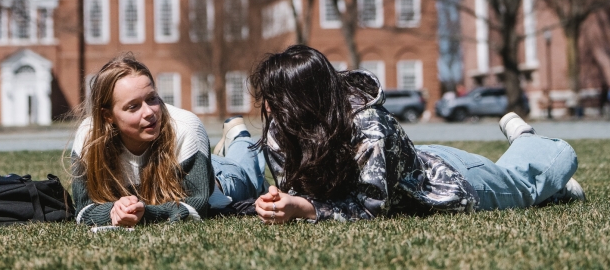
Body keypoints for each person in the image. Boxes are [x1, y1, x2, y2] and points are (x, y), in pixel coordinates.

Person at [250, 46, 584, 223]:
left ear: (302, 102)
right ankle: (558, 192)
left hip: (447, 181)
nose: (267, 108)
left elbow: (370, 208)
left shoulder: (369, 124)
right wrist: (280, 202)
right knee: (531, 188)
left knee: (523, 187)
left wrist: (303, 208)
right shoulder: (282, 128)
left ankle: (528, 142)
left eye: (276, 99)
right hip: (406, 164)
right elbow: (297, 191)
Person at [70, 54, 265, 226]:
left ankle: (239, 137)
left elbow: (197, 207)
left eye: (152, 98)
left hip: (222, 180)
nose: (149, 112)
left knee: (249, 177)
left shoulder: (186, 127)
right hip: (192, 163)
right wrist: (113, 211)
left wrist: (146, 214)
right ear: (107, 116)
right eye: (133, 106)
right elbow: (83, 211)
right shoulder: (89, 138)